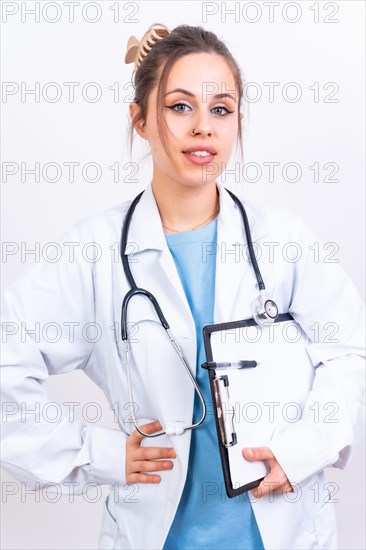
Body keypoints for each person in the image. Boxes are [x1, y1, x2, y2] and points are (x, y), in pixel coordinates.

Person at [1, 22, 364, 550]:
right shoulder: (92, 252)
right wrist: (93, 452)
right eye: (179, 107)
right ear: (140, 121)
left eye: (221, 109)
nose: (204, 128)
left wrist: (306, 448)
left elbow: (350, 349)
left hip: (282, 532)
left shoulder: (283, 240)